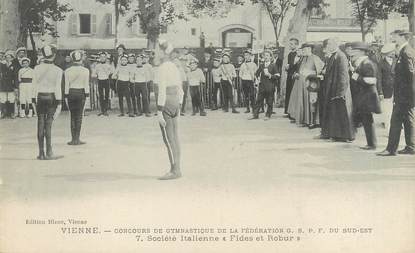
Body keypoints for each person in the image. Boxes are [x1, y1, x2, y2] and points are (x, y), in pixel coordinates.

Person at [378, 30, 415, 156]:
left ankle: (391, 149)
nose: (393, 37)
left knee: (396, 121)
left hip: (404, 95)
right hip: (406, 95)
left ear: (402, 37)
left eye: (395, 35)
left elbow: (411, 75)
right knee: (408, 120)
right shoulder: (405, 51)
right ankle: (411, 146)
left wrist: (409, 95)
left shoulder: (406, 52)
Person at [155, 39, 184, 180]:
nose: (156, 53)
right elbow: (181, 89)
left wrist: (159, 110)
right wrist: (179, 103)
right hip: (175, 102)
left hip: (165, 102)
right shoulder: (174, 66)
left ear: (162, 52)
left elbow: (161, 90)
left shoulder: (161, 68)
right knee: (175, 138)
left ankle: (174, 170)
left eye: (157, 50)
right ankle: (177, 167)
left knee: (168, 139)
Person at [320, 38, 355, 142]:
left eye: (330, 44)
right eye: (327, 44)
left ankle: (345, 136)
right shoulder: (334, 55)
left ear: (335, 45)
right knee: (334, 113)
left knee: (341, 113)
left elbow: (344, 75)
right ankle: (333, 135)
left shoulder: (340, 56)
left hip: (339, 90)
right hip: (333, 89)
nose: (328, 46)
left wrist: (341, 92)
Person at [33, 44, 63, 160]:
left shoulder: (36, 68)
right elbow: (57, 88)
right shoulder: (58, 70)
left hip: (40, 96)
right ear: (54, 55)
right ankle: (49, 152)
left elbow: (34, 86)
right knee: (48, 125)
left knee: (40, 123)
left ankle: (41, 153)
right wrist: (59, 103)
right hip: (51, 97)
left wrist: (33, 100)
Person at [349, 42, 382, 150]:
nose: (352, 53)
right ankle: (371, 143)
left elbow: (371, 81)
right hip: (364, 96)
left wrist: (356, 77)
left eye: (354, 51)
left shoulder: (367, 63)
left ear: (361, 52)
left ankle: (372, 144)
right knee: (366, 120)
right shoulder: (363, 63)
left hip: (367, 97)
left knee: (368, 120)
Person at [288, 43, 324, 126]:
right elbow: (299, 69)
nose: (303, 51)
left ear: (309, 49)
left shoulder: (315, 58)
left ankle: (312, 121)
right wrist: (297, 74)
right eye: (302, 50)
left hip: (310, 83)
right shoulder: (303, 58)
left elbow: (321, 70)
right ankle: (303, 119)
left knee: (310, 102)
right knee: (301, 101)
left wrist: (311, 73)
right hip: (300, 84)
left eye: (304, 50)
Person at [64, 50, 90, 145]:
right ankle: (77, 139)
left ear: (72, 59)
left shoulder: (67, 70)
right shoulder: (85, 71)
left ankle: (72, 139)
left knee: (72, 116)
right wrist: (87, 96)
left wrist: (66, 96)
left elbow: (66, 85)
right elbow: (86, 85)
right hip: (81, 93)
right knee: (79, 116)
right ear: (81, 58)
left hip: (71, 93)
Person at [250, 50, 279, 120]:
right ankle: (255, 115)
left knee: (269, 101)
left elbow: (277, 76)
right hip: (262, 86)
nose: (265, 57)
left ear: (270, 57)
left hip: (270, 86)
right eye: (264, 55)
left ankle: (268, 115)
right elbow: (256, 74)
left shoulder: (274, 65)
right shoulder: (261, 65)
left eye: (267, 55)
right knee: (259, 100)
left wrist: (270, 75)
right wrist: (257, 78)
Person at [378, 43, 396, 131]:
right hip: (386, 91)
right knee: (387, 110)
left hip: (397, 90)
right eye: (391, 52)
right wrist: (380, 92)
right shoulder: (381, 63)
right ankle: (388, 128)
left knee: (396, 109)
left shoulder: (397, 60)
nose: (393, 53)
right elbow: (379, 79)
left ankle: (397, 126)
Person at [93, 52, 113, 116]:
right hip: (100, 81)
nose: (102, 58)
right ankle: (102, 110)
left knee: (106, 95)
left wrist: (108, 72)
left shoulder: (108, 65)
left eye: (104, 57)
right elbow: (94, 74)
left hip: (106, 81)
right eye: (101, 57)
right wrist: (96, 75)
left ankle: (106, 110)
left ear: (106, 58)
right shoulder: (97, 66)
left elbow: (112, 72)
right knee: (101, 96)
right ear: (99, 58)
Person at [284, 38, 300, 116]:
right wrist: (287, 68)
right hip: (289, 76)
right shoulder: (290, 54)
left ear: (296, 45)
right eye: (290, 44)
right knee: (289, 92)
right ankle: (288, 111)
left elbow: (298, 66)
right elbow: (289, 65)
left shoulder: (299, 54)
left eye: (291, 44)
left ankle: (294, 112)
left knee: (294, 94)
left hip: (295, 76)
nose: (290, 45)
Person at [239, 49, 257, 113]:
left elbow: (256, 73)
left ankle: (253, 108)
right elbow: (240, 74)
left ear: (250, 56)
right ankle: (247, 108)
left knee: (252, 95)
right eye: (245, 55)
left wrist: (255, 80)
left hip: (251, 81)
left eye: (248, 55)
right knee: (246, 95)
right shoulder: (242, 65)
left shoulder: (254, 64)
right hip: (244, 81)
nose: (246, 56)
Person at [0, 51, 17, 119]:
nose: (8, 59)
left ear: (12, 58)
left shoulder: (13, 65)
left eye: (9, 57)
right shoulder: (2, 65)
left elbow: (15, 76)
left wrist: (15, 86)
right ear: (5, 58)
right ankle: (3, 113)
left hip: (10, 85)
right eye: (7, 57)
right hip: (3, 85)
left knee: (11, 99)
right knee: (2, 99)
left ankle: (11, 113)